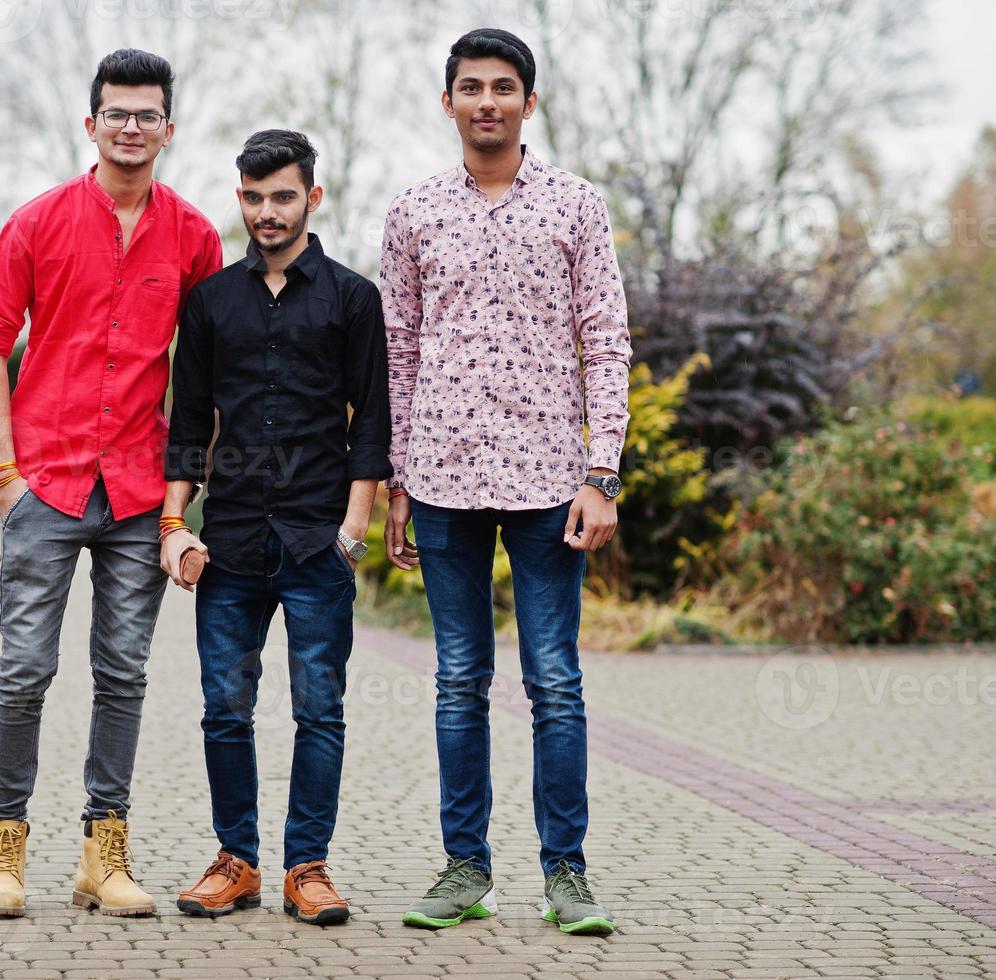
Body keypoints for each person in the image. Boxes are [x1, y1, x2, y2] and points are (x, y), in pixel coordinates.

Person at [381, 28, 632, 936]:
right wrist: (398, 481)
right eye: (469, 88)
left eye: (503, 87)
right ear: (445, 101)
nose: (486, 101)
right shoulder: (411, 212)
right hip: (442, 480)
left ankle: (566, 873)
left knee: (554, 681)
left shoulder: (575, 206)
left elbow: (605, 340)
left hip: (547, 482)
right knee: (458, 680)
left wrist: (601, 473)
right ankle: (463, 870)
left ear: (531, 101)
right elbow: (397, 354)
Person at [0, 48, 223, 919]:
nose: (129, 126)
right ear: (91, 124)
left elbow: (203, 373)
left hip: (137, 493)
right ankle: (6, 856)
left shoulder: (193, 237)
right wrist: (6, 474)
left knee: (123, 673)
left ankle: (102, 857)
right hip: (44, 481)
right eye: (115, 112)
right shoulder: (36, 223)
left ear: (168, 129)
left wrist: (180, 503)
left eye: (145, 113)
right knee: (22, 670)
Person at [161, 129, 391, 926]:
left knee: (317, 709)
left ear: (311, 199)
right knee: (224, 707)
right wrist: (172, 523)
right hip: (226, 542)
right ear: (241, 199)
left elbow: (373, 422)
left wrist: (351, 530)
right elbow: (188, 419)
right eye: (253, 197)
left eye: (282, 196)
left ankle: (307, 866)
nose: (267, 211)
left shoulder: (353, 298)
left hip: (316, 539)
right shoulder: (212, 301)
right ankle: (236, 861)